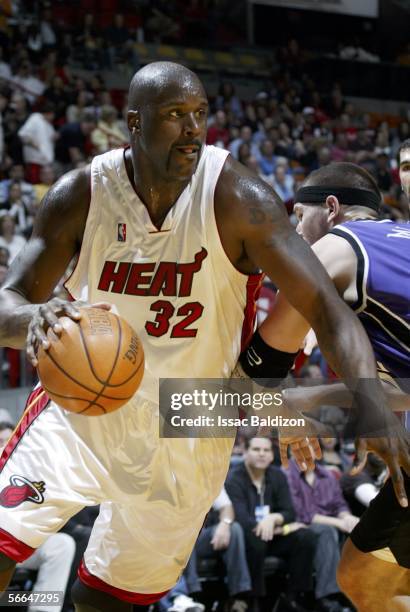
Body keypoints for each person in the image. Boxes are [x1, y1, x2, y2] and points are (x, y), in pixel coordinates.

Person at [0, 62, 405, 612]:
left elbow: (321, 318)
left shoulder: (240, 198)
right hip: (82, 412)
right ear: (134, 123)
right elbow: (10, 300)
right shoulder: (82, 194)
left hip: (189, 417)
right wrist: (34, 320)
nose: (193, 129)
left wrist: (361, 405)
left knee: (107, 603)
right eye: (175, 116)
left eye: (200, 116)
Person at [236, 162, 409, 610]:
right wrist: (310, 397)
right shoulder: (401, 242)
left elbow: (253, 377)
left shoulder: (338, 245)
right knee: (364, 578)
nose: (295, 231)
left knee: (364, 581)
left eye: (297, 217)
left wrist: (282, 416)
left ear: (331, 209)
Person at [226, 436, 317, 611]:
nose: (261, 454)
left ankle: (294, 596)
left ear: (271, 455)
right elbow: (243, 521)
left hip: (271, 536)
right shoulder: (234, 478)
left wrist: (273, 519)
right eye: (256, 449)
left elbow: (289, 512)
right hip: (245, 540)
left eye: (266, 450)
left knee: (305, 537)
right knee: (256, 540)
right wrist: (282, 530)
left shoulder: (277, 475)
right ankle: (254, 599)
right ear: (245, 452)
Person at [284, 458, 359, 611]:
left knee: (358, 528)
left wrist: (347, 517)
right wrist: (338, 523)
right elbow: (301, 513)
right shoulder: (286, 474)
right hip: (298, 526)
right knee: (326, 531)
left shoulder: (327, 475)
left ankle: (359, 591)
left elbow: (339, 504)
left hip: (331, 522)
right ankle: (328, 596)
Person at [183, 487, 251, 608]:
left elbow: (227, 507)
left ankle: (238, 596)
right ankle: (193, 596)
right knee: (185, 533)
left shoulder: (209, 476)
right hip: (175, 538)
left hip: (201, 539)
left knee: (234, 529)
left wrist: (225, 523)